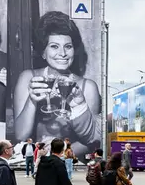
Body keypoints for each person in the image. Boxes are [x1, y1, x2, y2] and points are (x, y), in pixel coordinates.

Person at [13, 11, 101, 161]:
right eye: (54, 46)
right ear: (43, 52)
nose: (63, 53)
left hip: (70, 160)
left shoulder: (88, 87)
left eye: (68, 46)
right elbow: (21, 135)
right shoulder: (29, 78)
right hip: (37, 160)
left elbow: (92, 140)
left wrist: (62, 151)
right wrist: (32, 100)